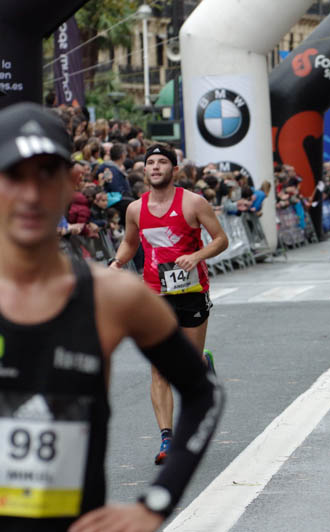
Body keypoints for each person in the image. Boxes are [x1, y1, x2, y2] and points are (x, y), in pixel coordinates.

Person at [0, 102, 223, 532]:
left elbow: (204, 394)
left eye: (45, 174)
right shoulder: (134, 219)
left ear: (72, 183)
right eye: (13, 175)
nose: (30, 194)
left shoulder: (111, 297)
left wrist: (156, 502)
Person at [110, 143, 228, 464]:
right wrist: (117, 263)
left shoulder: (193, 203)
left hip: (192, 291)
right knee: (160, 369)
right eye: (151, 162)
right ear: (144, 170)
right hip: (154, 295)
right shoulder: (136, 209)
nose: (156, 167)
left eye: (162, 162)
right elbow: (130, 243)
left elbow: (221, 239)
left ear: (174, 169)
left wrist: (196, 255)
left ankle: (201, 362)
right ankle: (167, 439)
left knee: (188, 369)